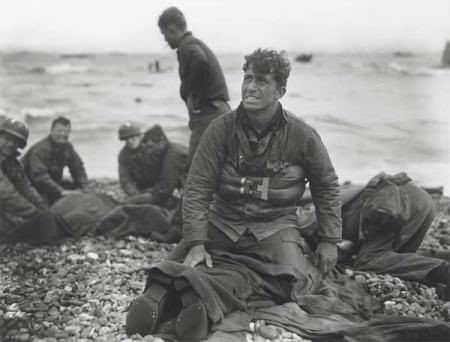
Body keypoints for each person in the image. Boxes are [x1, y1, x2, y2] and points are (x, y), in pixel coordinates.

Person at [125, 49, 341, 341]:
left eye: (262, 80)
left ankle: (185, 294)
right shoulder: (220, 129)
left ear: (281, 90)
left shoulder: (303, 135)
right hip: (222, 223)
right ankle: (167, 297)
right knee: (189, 259)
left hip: (275, 228)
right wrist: (197, 241)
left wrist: (329, 239)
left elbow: (326, 185)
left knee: (290, 282)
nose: (250, 87)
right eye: (247, 78)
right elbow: (198, 185)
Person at [299, 172, 450, 297]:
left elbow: (307, 227)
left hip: (392, 206)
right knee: (399, 262)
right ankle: (441, 276)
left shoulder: (321, 214)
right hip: (423, 203)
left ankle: (442, 271)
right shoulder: (344, 203)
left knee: (368, 260)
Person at [158, 6, 231, 166]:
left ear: (171, 29)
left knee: (196, 167)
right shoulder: (193, 43)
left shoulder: (187, 46)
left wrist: (193, 95)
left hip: (209, 113)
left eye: (164, 35)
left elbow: (200, 62)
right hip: (219, 110)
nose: (165, 40)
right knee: (218, 165)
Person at [0, 117, 66, 244]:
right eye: (7, 139)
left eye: (16, 142)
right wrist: (33, 212)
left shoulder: (10, 161)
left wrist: (44, 209)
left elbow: (26, 187)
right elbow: (5, 193)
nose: (10, 144)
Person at [117, 122, 187, 208]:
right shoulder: (124, 155)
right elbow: (125, 180)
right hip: (153, 186)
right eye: (126, 139)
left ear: (140, 136)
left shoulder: (156, 146)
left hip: (171, 179)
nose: (130, 141)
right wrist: (137, 196)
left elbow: (171, 167)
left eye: (133, 137)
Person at [22, 116, 88, 205]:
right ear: (52, 130)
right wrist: (61, 191)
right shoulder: (40, 149)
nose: (63, 134)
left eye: (66, 131)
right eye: (59, 131)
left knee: (80, 193)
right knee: (44, 209)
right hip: (29, 185)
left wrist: (84, 187)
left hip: (52, 184)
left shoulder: (67, 147)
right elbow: (40, 177)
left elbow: (78, 168)